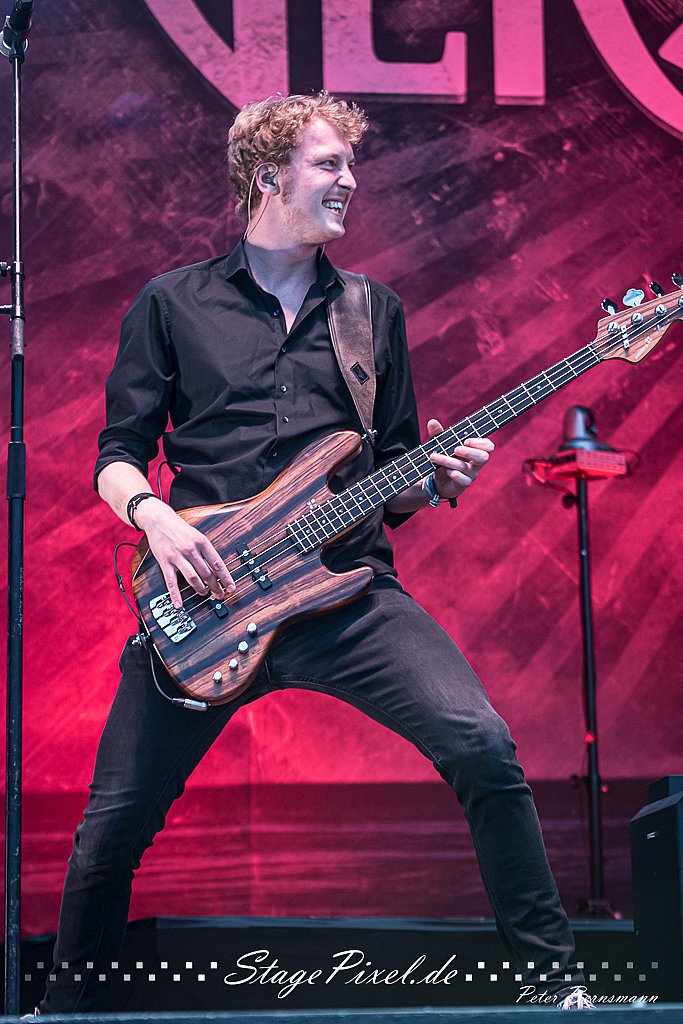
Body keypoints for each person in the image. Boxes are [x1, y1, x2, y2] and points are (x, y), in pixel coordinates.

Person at [33, 92, 592, 1015]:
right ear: (267, 176)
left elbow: (394, 476)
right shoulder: (172, 302)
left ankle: (552, 986)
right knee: (114, 823)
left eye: (349, 164)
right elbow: (117, 454)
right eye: (329, 164)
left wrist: (434, 481)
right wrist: (156, 518)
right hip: (211, 597)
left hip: (346, 598)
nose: (349, 181)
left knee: (482, 745)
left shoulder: (372, 310)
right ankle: (68, 1011)